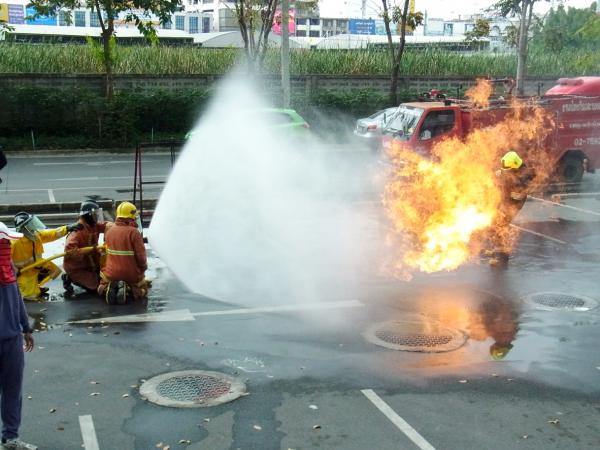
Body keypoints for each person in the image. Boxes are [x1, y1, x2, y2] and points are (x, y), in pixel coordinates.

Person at [0, 222, 37, 450]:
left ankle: (10, 439)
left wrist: (26, 327)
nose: (8, 248)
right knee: (12, 390)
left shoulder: (8, 272)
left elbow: (17, 300)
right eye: (4, 244)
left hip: (12, 340)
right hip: (10, 340)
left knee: (13, 390)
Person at [11, 212, 82, 301]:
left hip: (35, 266)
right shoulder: (15, 242)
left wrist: (67, 228)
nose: (34, 227)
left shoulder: (35, 235)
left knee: (54, 270)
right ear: (24, 228)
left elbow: (52, 234)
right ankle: (22, 288)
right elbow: (4, 258)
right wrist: (13, 270)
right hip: (22, 273)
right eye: (31, 225)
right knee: (30, 296)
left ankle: (36, 286)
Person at [487, 150, 535, 267]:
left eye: (507, 169)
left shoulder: (522, 179)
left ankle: (502, 258)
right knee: (495, 225)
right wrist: (498, 174)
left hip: (512, 205)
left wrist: (503, 207)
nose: (505, 170)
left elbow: (514, 199)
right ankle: (496, 250)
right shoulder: (513, 168)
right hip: (505, 201)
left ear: (514, 166)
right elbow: (501, 173)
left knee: (501, 227)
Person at [98, 202, 150, 304]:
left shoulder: (109, 231)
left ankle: (104, 288)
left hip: (111, 273)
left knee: (104, 281)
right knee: (144, 287)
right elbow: (141, 258)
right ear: (131, 217)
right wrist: (143, 268)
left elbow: (106, 253)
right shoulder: (134, 232)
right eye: (134, 217)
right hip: (130, 274)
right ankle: (130, 291)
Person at [62, 201, 110, 296]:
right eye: (94, 214)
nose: (96, 217)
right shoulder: (77, 232)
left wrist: (115, 226)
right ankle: (69, 277)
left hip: (92, 265)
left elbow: (105, 225)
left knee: (107, 279)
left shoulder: (93, 225)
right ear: (88, 215)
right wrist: (92, 249)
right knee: (96, 287)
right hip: (78, 268)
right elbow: (70, 251)